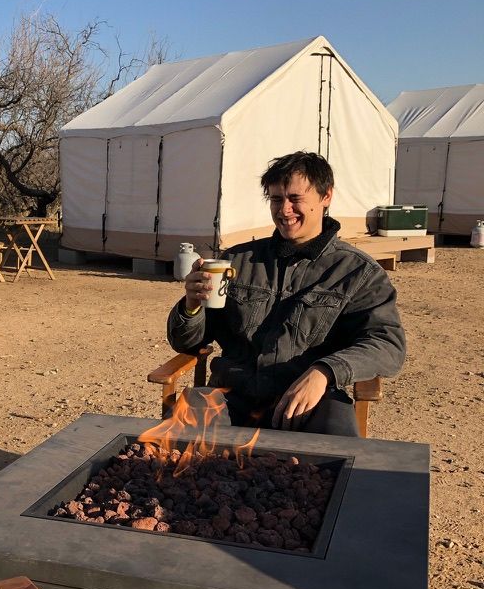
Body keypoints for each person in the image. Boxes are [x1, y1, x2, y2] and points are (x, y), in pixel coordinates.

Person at [167, 151, 406, 436]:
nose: (284, 210)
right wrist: (191, 305)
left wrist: (326, 371)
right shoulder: (238, 261)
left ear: (325, 196)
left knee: (341, 458)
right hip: (231, 397)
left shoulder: (357, 272)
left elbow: (387, 343)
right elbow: (187, 342)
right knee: (175, 447)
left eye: (295, 199)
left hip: (310, 403)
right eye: (276, 199)